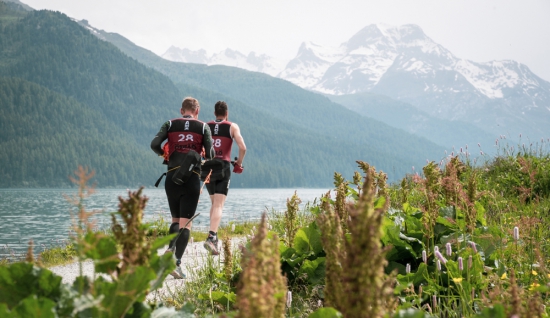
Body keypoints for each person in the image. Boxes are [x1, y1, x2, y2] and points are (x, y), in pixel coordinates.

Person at [151, 97, 214, 279]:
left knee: (176, 220)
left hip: (172, 177)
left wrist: (165, 153)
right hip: (191, 178)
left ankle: (170, 249)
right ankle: (176, 263)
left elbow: (154, 144)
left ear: (181, 110)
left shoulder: (169, 124)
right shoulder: (203, 127)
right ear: (197, 111)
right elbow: (210, 153)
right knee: (186, 223)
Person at [201, 101, 246, 255]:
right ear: (227, 113)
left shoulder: (206, 126)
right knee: (219, 205)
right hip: (223, 166)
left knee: (214, 203)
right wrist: (239, 163)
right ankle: (211, 237)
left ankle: (214, 236)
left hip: (207, 167)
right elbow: (242, 147)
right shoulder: (232, 126)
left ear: (214, 113)